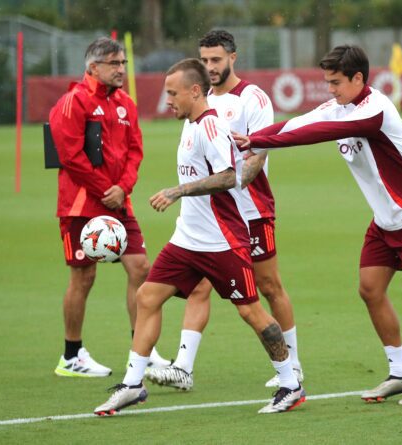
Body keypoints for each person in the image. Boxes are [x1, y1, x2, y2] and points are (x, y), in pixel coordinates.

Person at [239, 45, 402, 405]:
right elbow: (300, 122)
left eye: (336, 82)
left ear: (358, 78)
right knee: (369, 289)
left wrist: (259, 141)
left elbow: (317, 133)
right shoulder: (339, 106)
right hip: (385, 222)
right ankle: (400, 373)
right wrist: (252, 137)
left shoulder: (375, 110)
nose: (330, 90)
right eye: (327, 82)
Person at [93, 59, 304, 416]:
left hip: (222, 241)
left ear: (194, 91)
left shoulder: (210, 128)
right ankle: (132, 385)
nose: (168, 101)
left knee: (251, 311)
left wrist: (179, 191)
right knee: (147, 296)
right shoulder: (190, 124)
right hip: (187, 240)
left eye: (173, 93)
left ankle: (290, 383)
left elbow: (227, 176)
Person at [145, 30, 304, 391]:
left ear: (233, 57)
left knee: (269, 286)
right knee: (198, 285)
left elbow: (258, 154)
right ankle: (183, 367)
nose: (210, 67)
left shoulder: (252, 98)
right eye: (204, 60)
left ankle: (293, 366)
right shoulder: (196, 100)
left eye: (216, 59)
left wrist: (232, 186)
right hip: (209, 218)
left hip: (251, 211)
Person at [48, 37, 169, 378]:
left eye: (123, 63)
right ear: (93, 67)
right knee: (84, 275)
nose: (121, 69)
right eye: (114, 64)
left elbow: (135, 151)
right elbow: (70, 156)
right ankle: (71, 355)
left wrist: (123, 188)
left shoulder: (126, 104)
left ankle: (141, 349)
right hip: (80, 205)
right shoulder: (73, 102)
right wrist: (106, 190)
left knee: (141, 268)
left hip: (119, 202)